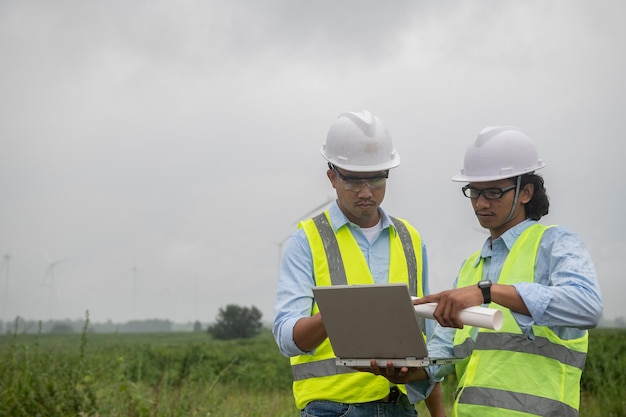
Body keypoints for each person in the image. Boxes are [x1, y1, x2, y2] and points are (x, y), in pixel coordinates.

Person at [371, 125, 603, 417]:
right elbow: (443, 354)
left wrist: (487, 293)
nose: (481, 203)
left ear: (526, 192)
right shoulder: (471, 267)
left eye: (494, 192)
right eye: (474, 192)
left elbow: (587, 307)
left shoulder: (555, 244)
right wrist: (405, 370)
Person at [272, 110, 444, 416]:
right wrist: (341, 315)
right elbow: (287, 337)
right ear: (332, 177)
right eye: (353, 181)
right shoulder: (306, 241)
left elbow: (427, 339)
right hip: (331, 409)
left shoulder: (410, 240)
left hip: (402, 407)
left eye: (376, 179)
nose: (366, 192)